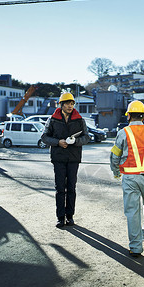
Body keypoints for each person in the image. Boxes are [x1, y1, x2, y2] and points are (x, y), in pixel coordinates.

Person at [110, 100, 144, 257]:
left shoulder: (123, 132)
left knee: (132, 211)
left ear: (129, 116)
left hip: (130, 177)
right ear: (143, 116)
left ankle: (136, 247)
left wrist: (116, 172)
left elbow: (115, 156)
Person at [41, 92, 90, 228]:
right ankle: (60, 217)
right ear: (61, 105)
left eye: (72, 103)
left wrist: (76, 141)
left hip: (73, 158)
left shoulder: (80, 120)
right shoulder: (53, 119)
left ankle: (70, 217)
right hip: (58, 158)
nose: (70, 106)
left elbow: (87, 138)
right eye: (67, 103)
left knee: (71, 188)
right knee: (60, 188)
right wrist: (58, 142)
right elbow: (44, 137)